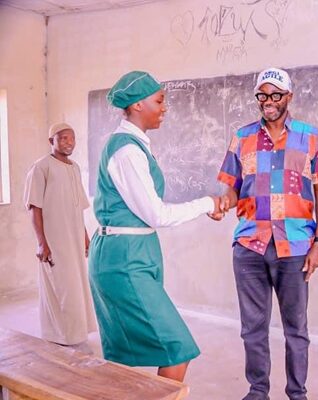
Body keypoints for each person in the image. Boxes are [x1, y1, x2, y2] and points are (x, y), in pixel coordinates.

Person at [89, 71, 225, 382]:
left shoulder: (136, 145)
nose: (165, 108)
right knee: (177, 348)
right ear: (138, 104)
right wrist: (208, 203)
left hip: (134, 252)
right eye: (160, 101)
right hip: (124, 259)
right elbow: (157, 215)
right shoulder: (127, 151)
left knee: (125, 356)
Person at [216, 67, 318, 400]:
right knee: (252, 328)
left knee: (296, 329)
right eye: (262, 95)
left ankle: (297, 393)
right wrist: (223, 202)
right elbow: (231, 188)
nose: (268, 101)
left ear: (289, 97)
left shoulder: (310, 136)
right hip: (249, 246)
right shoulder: (241, 137)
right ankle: (258, 391)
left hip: (295, 247)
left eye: (275, 95)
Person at [24, 122, 97, 348]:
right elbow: (34, 207)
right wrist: (41, 243)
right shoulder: (41, 167)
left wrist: (85, 237)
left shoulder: (75, 168)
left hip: (74, 239)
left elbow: (77, 208)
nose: (69, 142)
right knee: (61, 287)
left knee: (76, 286)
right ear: (51, 141)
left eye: (72, 138)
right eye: (63, 138)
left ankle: (76, 333)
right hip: (54, 239)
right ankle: (58, 336)